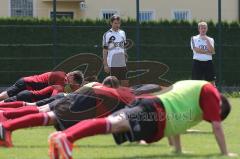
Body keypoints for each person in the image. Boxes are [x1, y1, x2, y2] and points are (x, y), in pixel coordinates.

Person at [48, 80, 236, 159]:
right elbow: (217, 127)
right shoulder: (211, 93)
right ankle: (67, 138)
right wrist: (225, 153)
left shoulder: (193, 89)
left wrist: (177, 149)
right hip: (155, 111)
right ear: (220, 107)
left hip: (153, 106)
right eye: (212, 117)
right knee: (113, 124)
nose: (209, 120)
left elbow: (179, 119)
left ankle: (63, 136)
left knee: (112, 124)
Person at [0, 70, 83, 101]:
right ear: (72, 77)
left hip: (28, 86)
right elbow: (56, 95)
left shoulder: (63, 78)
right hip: (26, 83)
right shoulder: (62, 78)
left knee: (8, 98)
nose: (72, 85)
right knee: (5, 96)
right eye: (74, 82)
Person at [102, 15, 129, 87]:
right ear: (111, 23)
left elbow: (124, 47)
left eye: (119, 23)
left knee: (125, 83)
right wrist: (105, 65)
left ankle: (124, 98)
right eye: (115, 23)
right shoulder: (107, 34)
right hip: (112, 63)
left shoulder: (122, 33)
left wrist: (125, 56)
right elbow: (105, 50)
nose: (117, 25)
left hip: (122, 62)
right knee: (113, 85)